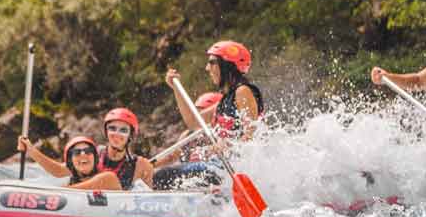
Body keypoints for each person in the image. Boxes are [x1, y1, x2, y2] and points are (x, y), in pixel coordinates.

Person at [18, 107, 154, 189]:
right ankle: (60, 192)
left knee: (108, 178)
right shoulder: (94, 153)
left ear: (131, 135)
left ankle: (63, 191)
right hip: (85, 204)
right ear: (106, 132)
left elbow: (149, 201)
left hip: (117, 212)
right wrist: (31, 149)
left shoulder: (142, 165)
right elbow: (59, 171)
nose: (117, 134)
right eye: (112, 128)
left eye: (123, 130)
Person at [165, 40, 264, 141]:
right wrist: (176, 88)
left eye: (212, 63)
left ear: (227, 65)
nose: (207, 68)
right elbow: (193, 122)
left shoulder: (242, 91)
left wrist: (226, 146)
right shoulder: (223, 102)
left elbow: (252, 134)